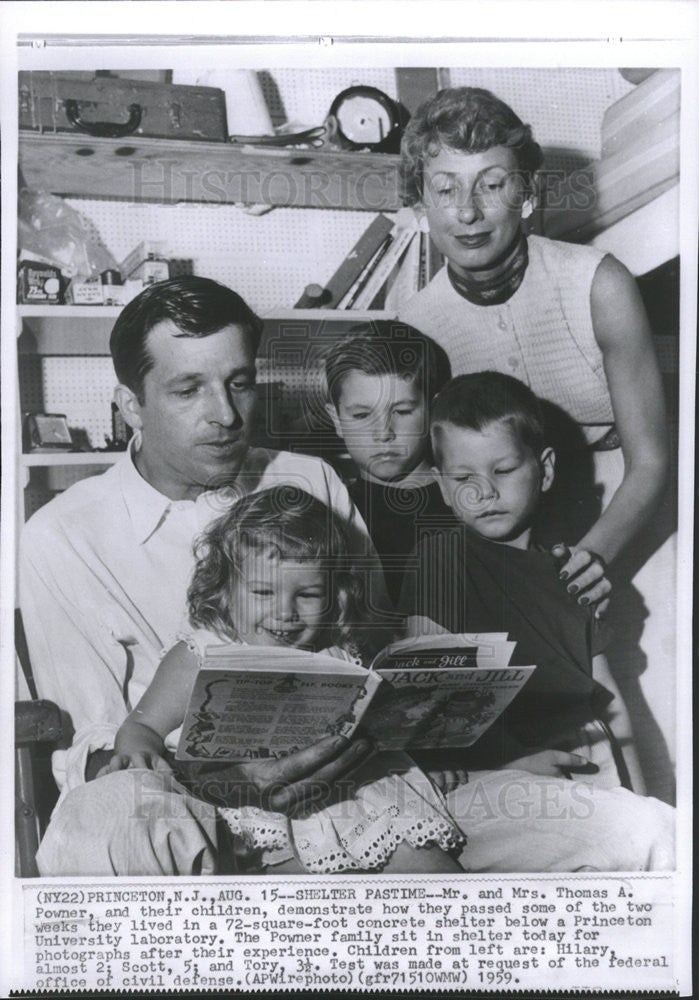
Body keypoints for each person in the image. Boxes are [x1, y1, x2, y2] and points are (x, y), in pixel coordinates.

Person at [21, 276, 378, 875]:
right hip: (177, 795)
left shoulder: (312, 481)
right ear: (131, 404)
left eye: (239, 383)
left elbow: (367, 644)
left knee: (565, 819)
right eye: (189, 390)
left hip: (341, 780)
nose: (227, 415)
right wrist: (223, 777)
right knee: (112, 818)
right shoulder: (60, 536)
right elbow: (91, 740)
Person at [397, 86, 673, 796]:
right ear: (419, 204)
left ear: (524, 195)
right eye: (445, 189)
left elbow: (651, 459)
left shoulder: (598, 283)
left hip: (631, 510)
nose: (467, 212)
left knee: (661, 710)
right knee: (542, 732)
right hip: (516, 534)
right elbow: (452, 473)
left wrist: (588, 562)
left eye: (491, 185)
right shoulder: (417, 325)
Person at [96, 488, 466, 875]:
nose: (285, 612)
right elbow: (142, 724)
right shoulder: (202, 652)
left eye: (307, 594)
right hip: (260, 812)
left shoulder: (336, 649)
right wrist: (137, 754)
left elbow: (377, 724)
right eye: (262, 592)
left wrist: (424, 758)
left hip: (361, 793)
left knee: (434, 871)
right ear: (224, 590)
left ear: (335, 596)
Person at [397, 371, 674, 870]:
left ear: (544, 470)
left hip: (586, 764)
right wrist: (508, 767)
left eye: (503, 470)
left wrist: (641, 793)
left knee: (653, 833)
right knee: (638, 838)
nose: (483, 490)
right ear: (441, 485)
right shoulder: (439, 559)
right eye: (463, 479)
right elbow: (428, 717)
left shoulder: (573, 572)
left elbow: (611, 707)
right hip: (488, 777)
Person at [323, 321, 455, 604]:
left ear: (435, 410)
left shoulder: (472, 503)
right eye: (361, 415)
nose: (383, 433)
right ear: (336, 420)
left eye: (403, 411)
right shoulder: (329, 514)